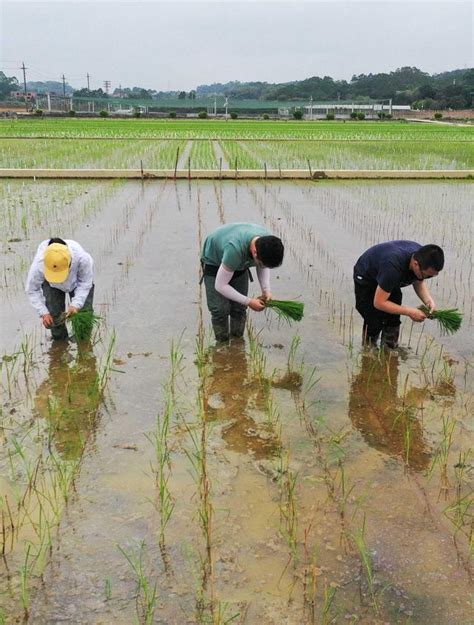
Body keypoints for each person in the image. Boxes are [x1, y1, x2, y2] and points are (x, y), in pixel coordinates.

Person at [201, 223, 284, 342]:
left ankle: (237, 344)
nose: (261, 266)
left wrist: (266, 290)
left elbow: (263, 266)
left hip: (238, 261)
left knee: (239, 308)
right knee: (219, 310)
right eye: (260, 263)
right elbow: (220, 285)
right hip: (214, 261)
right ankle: (222, 346)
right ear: (255, 252)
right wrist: (249, 301)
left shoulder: (267, 243)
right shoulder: (234, 249)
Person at [353, 241, 444, 349]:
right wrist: (410, 312)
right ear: (415, 264)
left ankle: (389, 350)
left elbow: (419, 281)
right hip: (367, 277)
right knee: (374, 320)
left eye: (431, 276)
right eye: (427, 275)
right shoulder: (392, 267)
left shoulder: (423, 258)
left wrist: (428, 301)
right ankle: (368, 350)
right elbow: (379, 303)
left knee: (393, 318)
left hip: (388, 277)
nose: (426, 278)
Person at [26, 237, 94, 341]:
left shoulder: (82, 258)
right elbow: (32, 290)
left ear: (70, 261)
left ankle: (83, 344)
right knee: (54, 316)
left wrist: (76, 305)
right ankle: (60, 344)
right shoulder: (39, 264)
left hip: (77, 282)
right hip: (51, 285)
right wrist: (43, 312)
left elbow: (85, 283)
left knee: (84, 315)